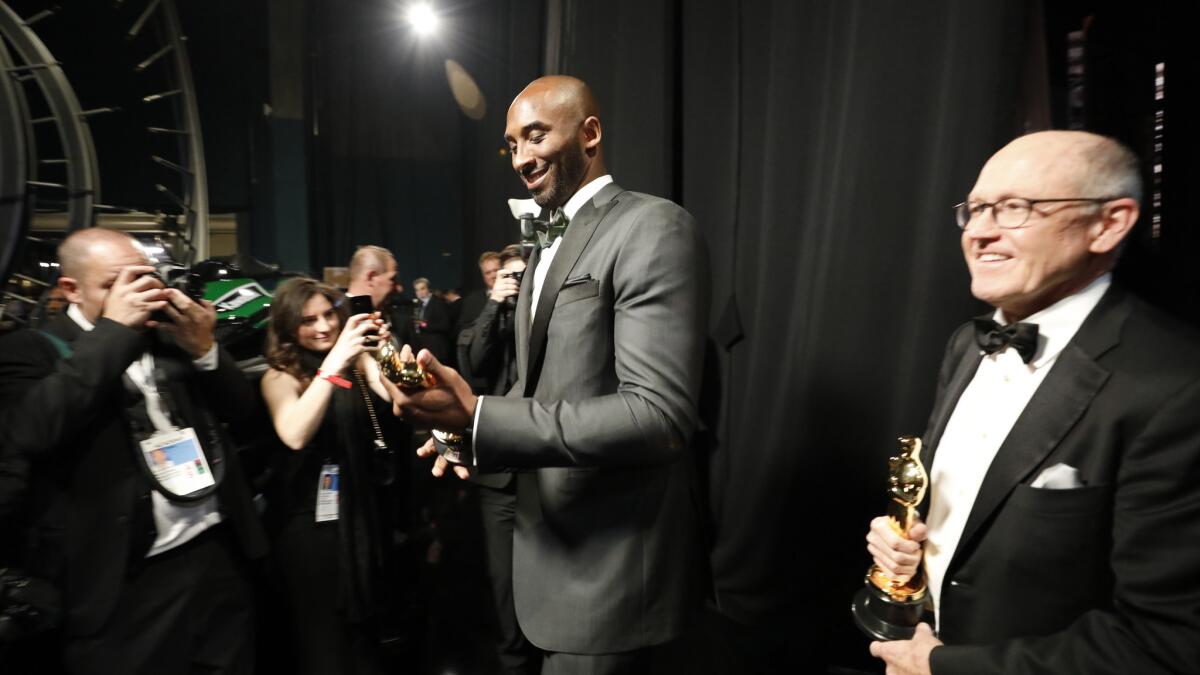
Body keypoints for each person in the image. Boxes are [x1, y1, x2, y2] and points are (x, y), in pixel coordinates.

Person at [386, 75, 710, 674]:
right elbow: (540, 389)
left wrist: (485, 416)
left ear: (589, 134)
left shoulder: (652, 227)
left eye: (536, 136)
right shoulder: (540, 251)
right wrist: (463, 433)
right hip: (548, 559)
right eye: (512, 144)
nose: (522, 157)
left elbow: (658, 417)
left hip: (609, 578)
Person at [866, 130, 1200, 675]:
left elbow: (1167, 644)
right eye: (973, 210)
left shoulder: (1176, 389)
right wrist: (905, 541)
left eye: (1014, 208)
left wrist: (946, 667)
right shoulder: (965, 344)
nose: (978, 232)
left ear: (1109, 223)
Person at [0, 227, 267, 674]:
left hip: (216, 553)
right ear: (71, 288)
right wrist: (114, 331)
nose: (138, 294)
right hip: (123, 580)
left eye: (143, 279)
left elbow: (244, 414)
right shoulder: (28, 351)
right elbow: (35, 430)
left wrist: (204, 349)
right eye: (115, 284)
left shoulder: (168, 336)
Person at [259, 277, 409, 675]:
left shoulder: (357, 363)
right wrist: (334, 364)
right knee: (322, 640)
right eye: (308, 320)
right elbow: (294, 433)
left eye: (329, 315)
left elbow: (400, 399)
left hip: (362, 513)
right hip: (311, 530)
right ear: (288, 327)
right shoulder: (279, 375)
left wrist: (385, 352)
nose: (324, 327)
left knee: (367, 639)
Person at [455, 243, 533, 673]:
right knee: (504, 582)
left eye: (523, 275)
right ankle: (513, 661)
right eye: (509, 275)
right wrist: (495, 305)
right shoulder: (489, 317)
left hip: (546, 468)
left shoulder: (548, 317)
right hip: (499, 475)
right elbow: (476, 364)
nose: (515, 283)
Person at [456, 251, 503, 392]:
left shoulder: (518, 295)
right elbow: (463, 334)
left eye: (496, 270)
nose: (493, 275)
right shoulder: (471, 301)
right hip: (484, 375)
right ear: (483, 276)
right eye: (488, 272)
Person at [346, 245, 401, 310]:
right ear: (371, 278)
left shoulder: (386, 315)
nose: (399, 289)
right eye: (392, 279)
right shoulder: (336, 316)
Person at [411, 277, 452, 364]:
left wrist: (424, 325)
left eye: (422, 288)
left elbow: (445, 326)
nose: (419, 292)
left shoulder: (438, 303)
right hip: (423, 349)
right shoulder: (418, 305)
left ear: (428, 288)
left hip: (437, 350)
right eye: (417, 290)